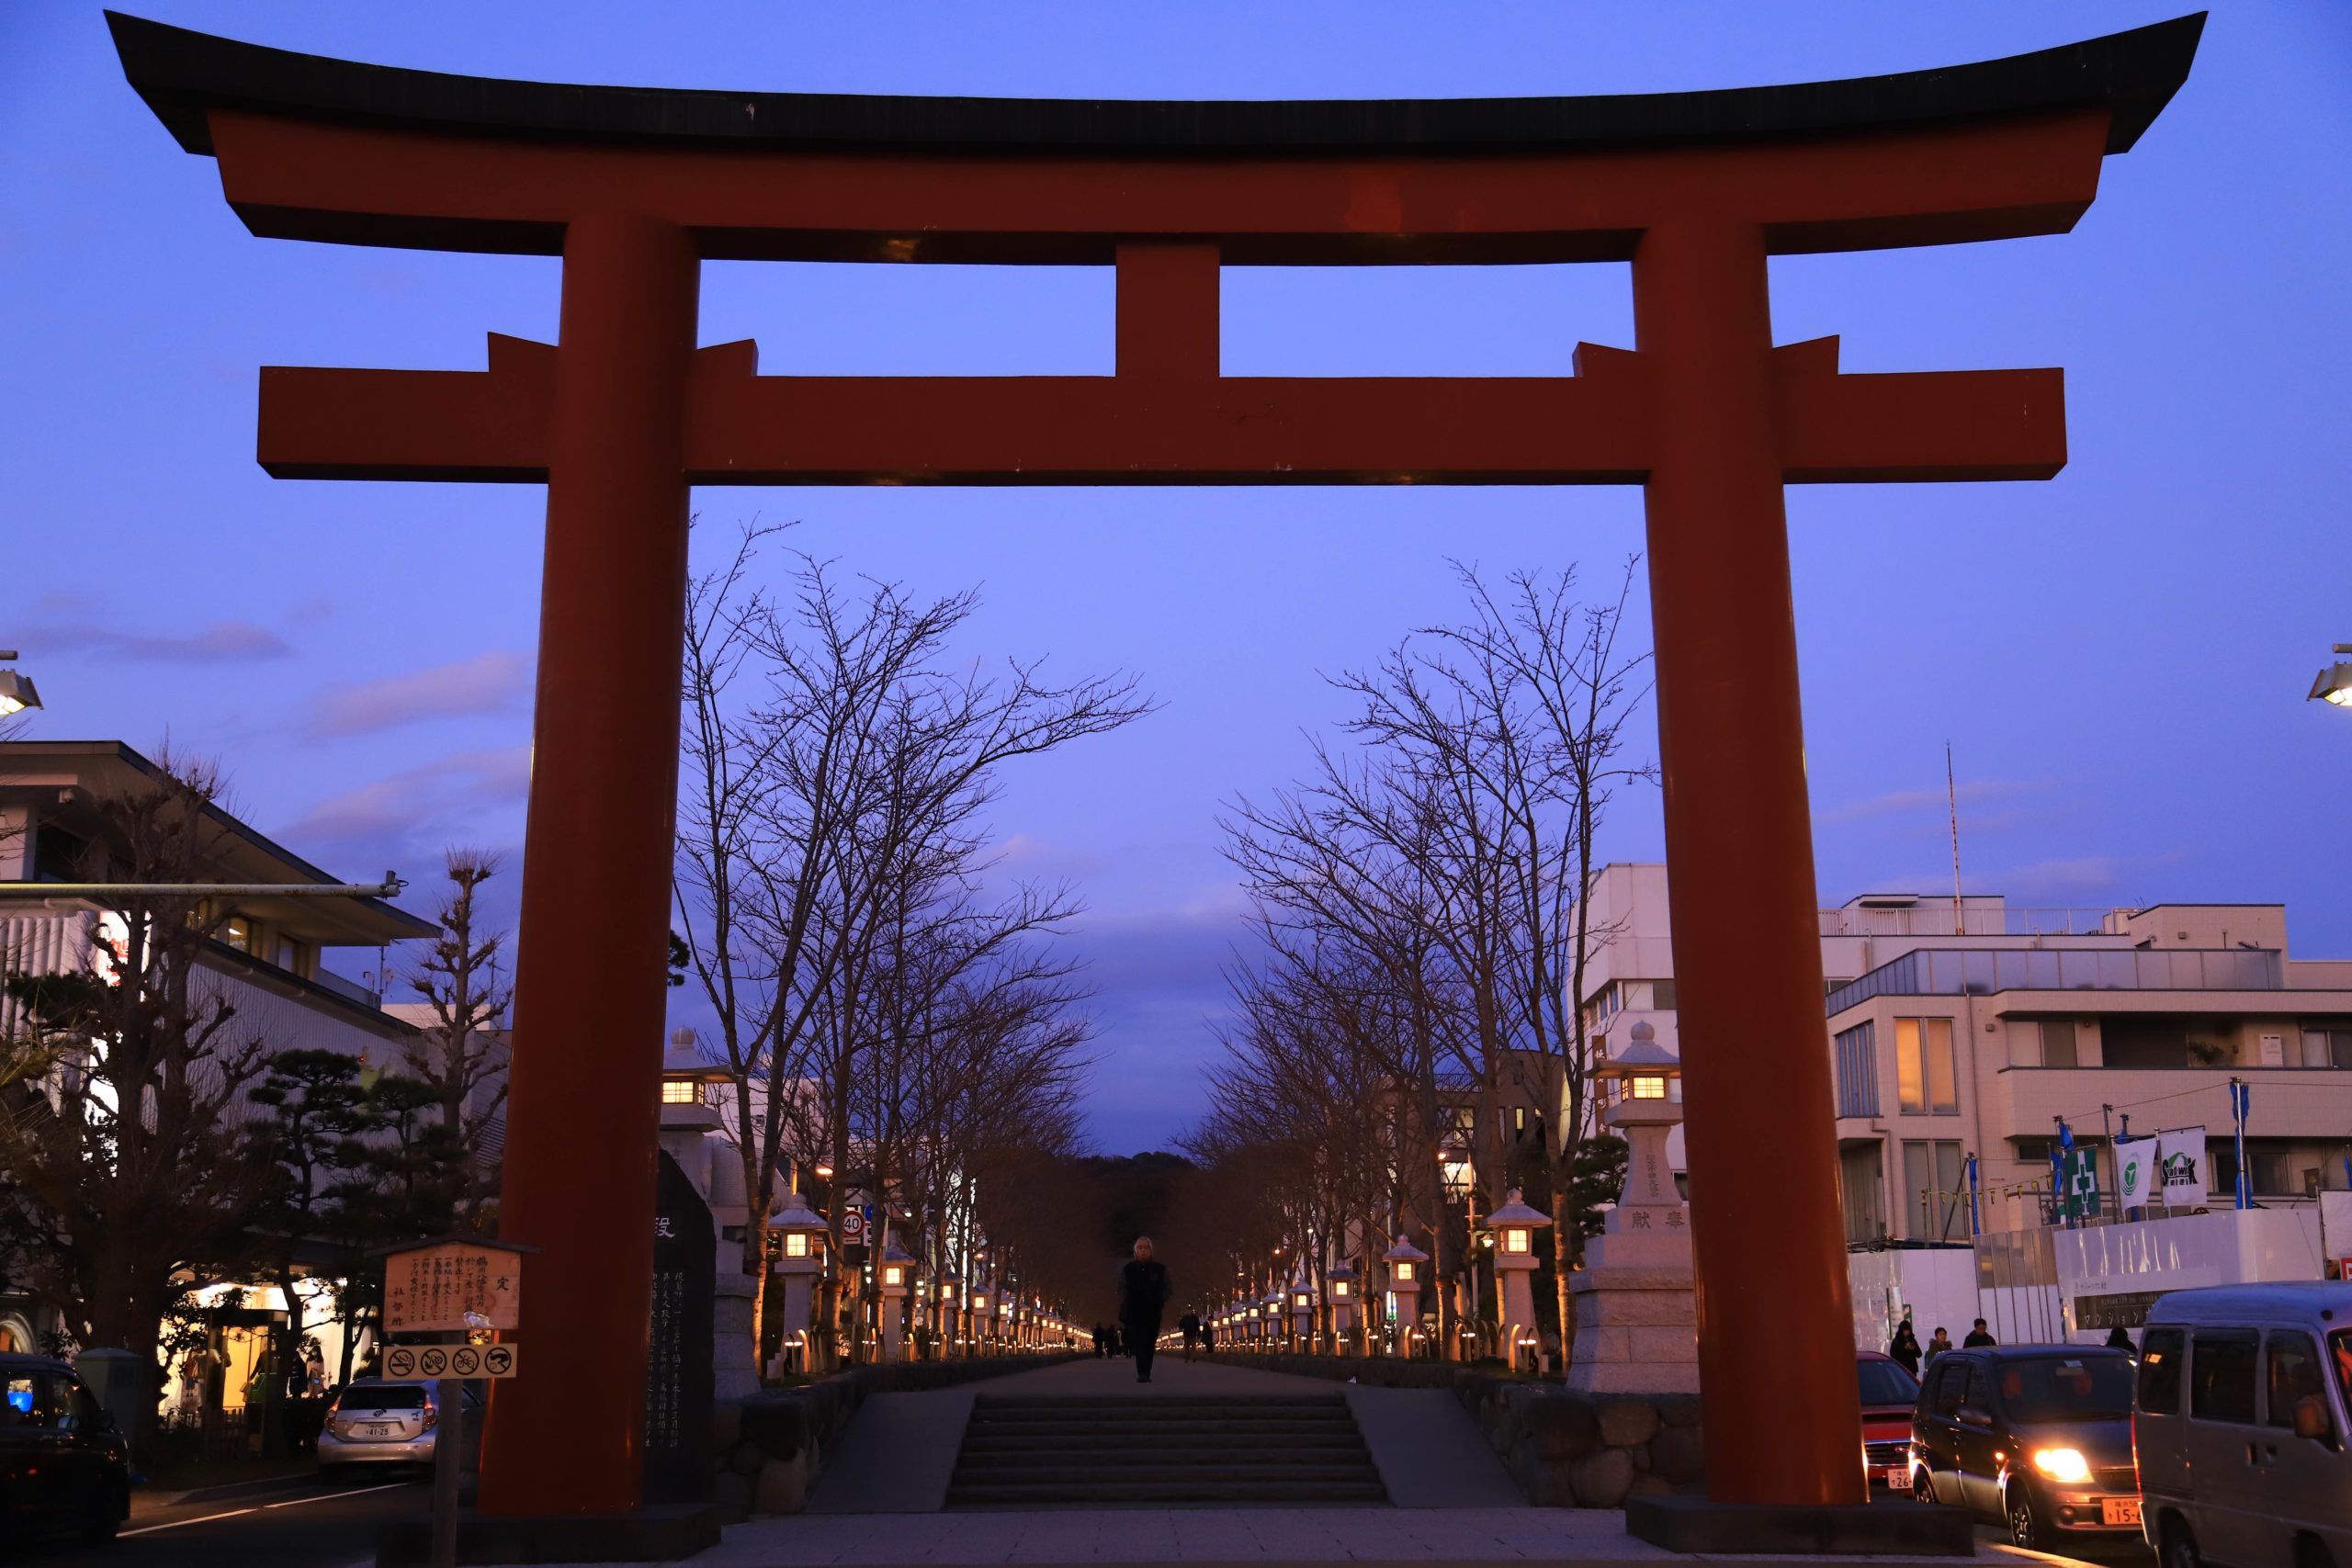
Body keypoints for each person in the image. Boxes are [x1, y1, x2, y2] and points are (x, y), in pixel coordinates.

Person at [1118, 1235, 1172, 1385]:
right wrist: (1129, 1298)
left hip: (1153, 1310)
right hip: (1135, 1310)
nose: (1143, 1251)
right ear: (1135, 1251)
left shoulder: (1160, 1269)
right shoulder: (1128, 1269)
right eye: (1140, 1248)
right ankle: (1142, 1372)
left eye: (1146, 1247)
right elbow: (1121, 1287)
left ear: (1151, 1250)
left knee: (1150, 1342)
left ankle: (1146, 1371)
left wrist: (1160, 1300)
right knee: (1139, 1341)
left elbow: (1167, 1288)